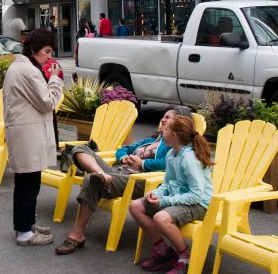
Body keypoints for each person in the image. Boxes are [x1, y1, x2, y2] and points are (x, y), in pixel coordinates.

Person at [54, 106, 193, 255]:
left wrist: (142, 164)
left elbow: (169, 164)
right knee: (80, 148)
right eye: (163, 116)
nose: (162, 120)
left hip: (139, 180)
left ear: (179, 124)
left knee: (90, 179)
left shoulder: (173, 146)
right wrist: (123, 157)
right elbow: (123, 149)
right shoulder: (151, 140)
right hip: (119, 172)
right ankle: (101, 175)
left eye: (168, 117)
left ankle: (76, 234)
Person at [128, 115, 213, 274]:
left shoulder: (189, 159)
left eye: (165, 129)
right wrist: (156, 193)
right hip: (179, 199)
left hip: (198, 204)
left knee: (161, 218)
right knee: (135, 206)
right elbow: (167, 183)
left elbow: (196, 195)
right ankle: (163, 252)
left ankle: (184, 258)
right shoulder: (172, 155)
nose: (161, 130)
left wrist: (164, 201)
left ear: (174, 135)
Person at [3, 28, 64, 246]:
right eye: (46, 51)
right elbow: (47, 102)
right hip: (27, 134)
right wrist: (56, 79)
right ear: (34, 48)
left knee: (28, 182)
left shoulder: (21, 67)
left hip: (25, 133)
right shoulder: (27, 71)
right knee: (28, 185)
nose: (49, 56)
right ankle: (24, 233)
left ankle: (26, 225)